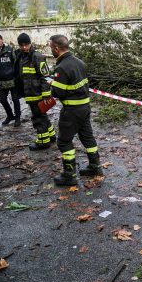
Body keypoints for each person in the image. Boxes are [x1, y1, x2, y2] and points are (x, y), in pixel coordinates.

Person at [48, 34, 101, 186]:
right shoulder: (80, 62)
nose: (51, 50)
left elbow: (58, 93)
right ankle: (95, 166)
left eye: (51, 48)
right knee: (87, 137)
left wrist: (52, 85)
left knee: (64, 142)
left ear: (57, 48)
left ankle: (69, 175)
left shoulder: (62, 67)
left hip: (71, 110)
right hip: (85, 107)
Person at [15, 33, 55, 150]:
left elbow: (46, 77)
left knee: (38, 118)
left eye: (26, 45)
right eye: (21, 45)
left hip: (37, 94)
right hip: (30, 93)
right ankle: (51, 136)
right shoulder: (21, 56)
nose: (24, 47)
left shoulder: (37, 56)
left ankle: (43, 142)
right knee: (42, 115)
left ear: (30, 43)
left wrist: (46, 95)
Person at [0, 33, 21, 127]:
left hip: (12, 79)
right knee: (3, 100)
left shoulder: (10, 50)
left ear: (2, 39)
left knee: (15, 99)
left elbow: (16, 64)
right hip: (1, 81)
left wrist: (18, 78)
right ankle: (10, 116)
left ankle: (17, 117)